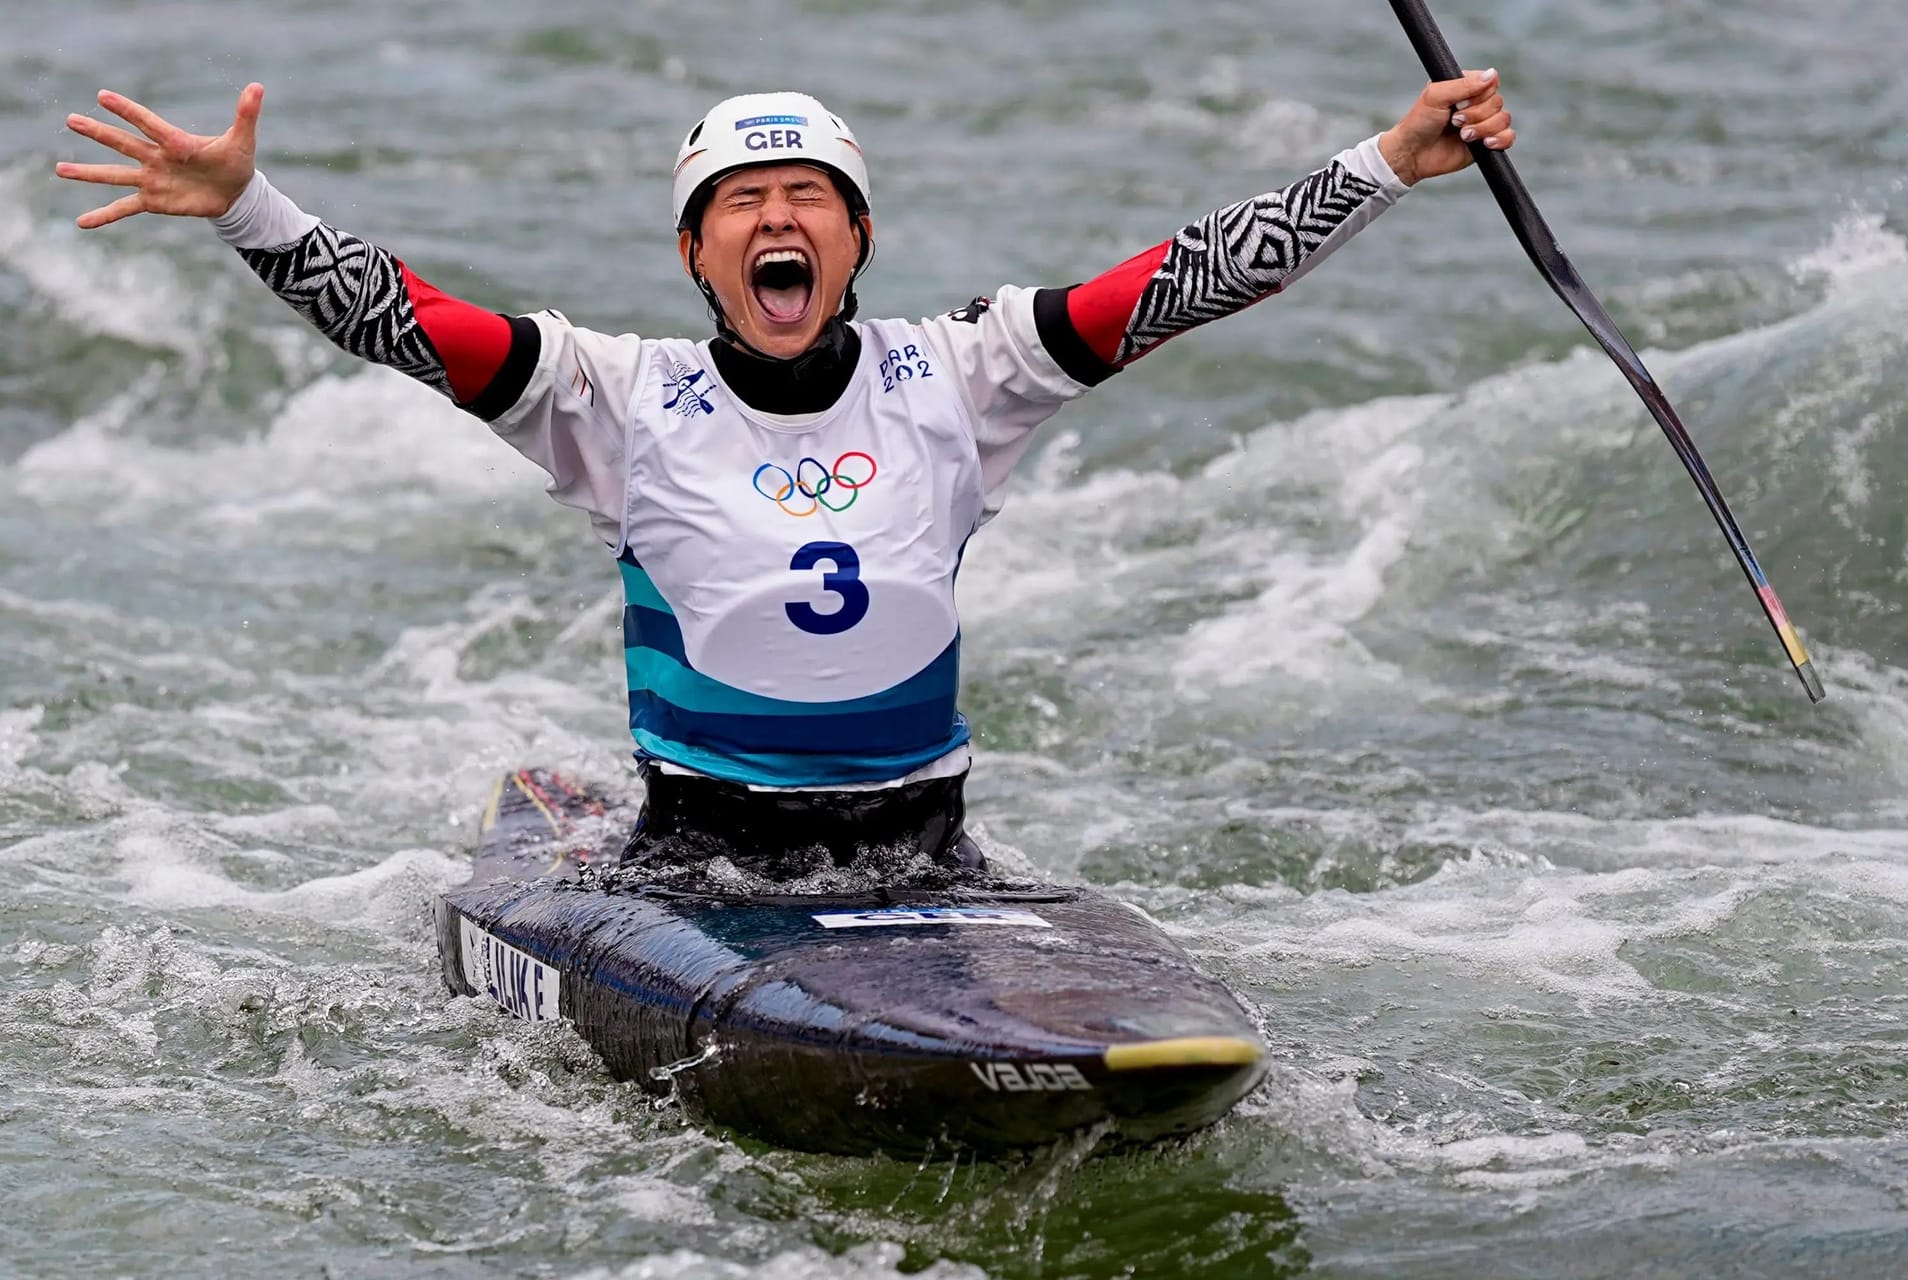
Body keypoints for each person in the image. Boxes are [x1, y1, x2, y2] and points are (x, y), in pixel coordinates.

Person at [55, 74, 1515, 875]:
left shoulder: (967, 371)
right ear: (696, 253)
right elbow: (409, 322)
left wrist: (1384, 161)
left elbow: (1185, 280)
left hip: (927, 847)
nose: (776, 218)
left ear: (856, 240)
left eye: (807, 196)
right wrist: (249, 207)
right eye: (740, 201)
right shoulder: (615, 399)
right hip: (700, 859)